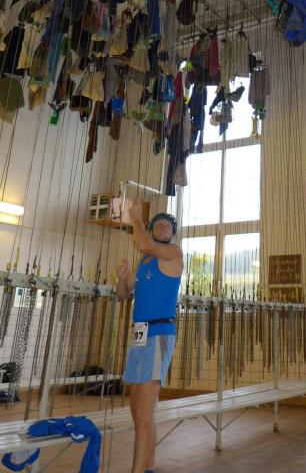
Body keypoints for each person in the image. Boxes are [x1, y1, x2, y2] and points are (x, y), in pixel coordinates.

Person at [117, 202, 183, 473]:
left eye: (169, 225)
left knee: (144, 413)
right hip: (140, 334)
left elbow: (144, 244)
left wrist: (136, 219)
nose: (164, 227)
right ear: (153, 230)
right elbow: (123, 294)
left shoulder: (173, 253)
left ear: (172, 234)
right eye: (159, 223)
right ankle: (148, 468)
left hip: (159, 333)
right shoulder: (144, 261)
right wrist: (122, 278)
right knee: (137, 410)